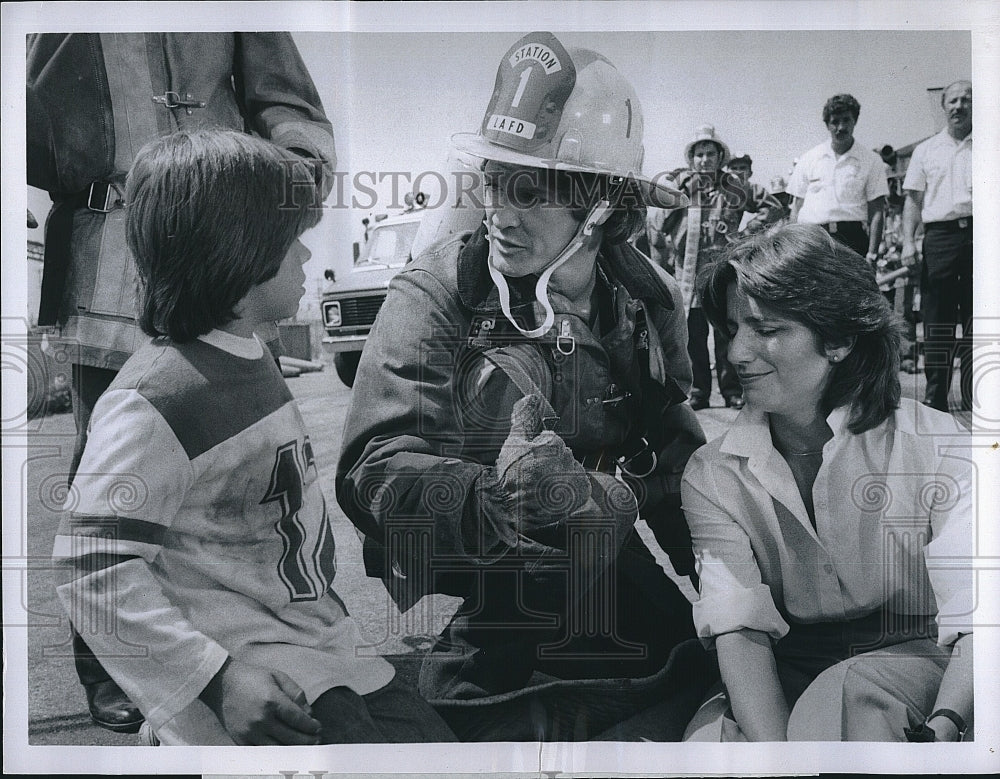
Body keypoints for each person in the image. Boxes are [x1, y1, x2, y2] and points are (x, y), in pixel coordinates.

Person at [336, 31, 714, 742]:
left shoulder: (646, 301)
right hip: (498, 597)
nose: (499, 212)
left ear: (601, 207)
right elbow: (373, 472)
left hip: (613, 578)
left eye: (528, 189)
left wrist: (740, 578)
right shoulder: (436, 293)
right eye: (493, 183)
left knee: (707, 687)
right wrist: (503, 501)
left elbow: (672, 461)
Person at [51, 130, 457, 746]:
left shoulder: (249, 354)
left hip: (318, 646)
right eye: (288, 238)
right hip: (255, 674)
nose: (303, 256)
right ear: (239, 254)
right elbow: (90, 568)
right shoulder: (157, 398)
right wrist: (214, 682)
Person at [26, 32, 337, 732]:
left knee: (234, 475)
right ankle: (134, 676)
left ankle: (255, 636)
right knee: (112, 479)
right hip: (103, 253)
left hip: (233, 238)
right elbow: (32, 126)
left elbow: (287, 103)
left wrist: (274, 199)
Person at [680, 224, 973, 742]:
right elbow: (740, 630)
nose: (736, 354)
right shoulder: (712, 473)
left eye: (766, 329)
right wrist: (772, 758)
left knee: (843, 698)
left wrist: (945, 726)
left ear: (838, 339)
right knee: (714, 746)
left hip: (926, 656)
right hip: (788, 658)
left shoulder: (939, 442)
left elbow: (980, 615)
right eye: (732, 329)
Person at [659, 126, 782, 411]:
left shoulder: (734, 186)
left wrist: (746, 234)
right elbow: (660, 223)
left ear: (719, 157)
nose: (704, 160)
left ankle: (732, 391)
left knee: (729, 334)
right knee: (694, 336)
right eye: (699, 154)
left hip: (724, 274)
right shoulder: (682, 185)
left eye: (710, 153)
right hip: (689, 276)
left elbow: (772, 207)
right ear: (692, 158)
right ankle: (699, 391)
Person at [901, 80, 973, 412]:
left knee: (980, 317)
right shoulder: (926, 150)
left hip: (982, 234)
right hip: (940, 238)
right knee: (938, 321)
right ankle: (936, 399)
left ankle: (978, 396)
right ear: (943, 106)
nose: (960, 106)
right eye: (954, 100)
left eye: (967, 100)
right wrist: (908, 243)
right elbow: (913, 202)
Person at [787, 94, 888, 260]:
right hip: (814, 239)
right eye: (835, 121)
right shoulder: (809, 158)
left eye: (846, 120)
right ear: (827, 125)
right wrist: (792, 247)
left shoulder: (871, 160)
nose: (841, 127)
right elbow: (797, 207)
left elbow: (877, 210)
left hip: (852, 239)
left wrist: (872, 253)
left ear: (855, 121)